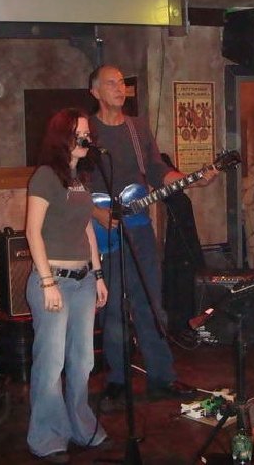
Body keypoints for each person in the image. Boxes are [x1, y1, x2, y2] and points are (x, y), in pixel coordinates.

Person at [88, 65, 218, 406]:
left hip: (139, 230)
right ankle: (117, 380)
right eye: (111, 83)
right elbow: (70, 183)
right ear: (95, 92)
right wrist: (95, 213)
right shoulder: (86, 131)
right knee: (112, 308)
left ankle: (162, 376)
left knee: (150, 303)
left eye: (122, 83)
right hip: (103, 232)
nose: (120, 88)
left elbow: (158, 171)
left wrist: (191, 179)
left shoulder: (138, 128)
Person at [25, 108, 109, 463]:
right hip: (54, 279)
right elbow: (32, 231)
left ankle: (80, 425)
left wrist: (98, 274)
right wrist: (47, 282)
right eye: (79, 132)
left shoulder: (80, 178)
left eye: (88, 132)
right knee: (51, 362)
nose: (87, 138)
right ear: (63, 136)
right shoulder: (46, 176)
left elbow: (87, 227)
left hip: (83, 281)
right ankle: (46, 434)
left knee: (83, 360)